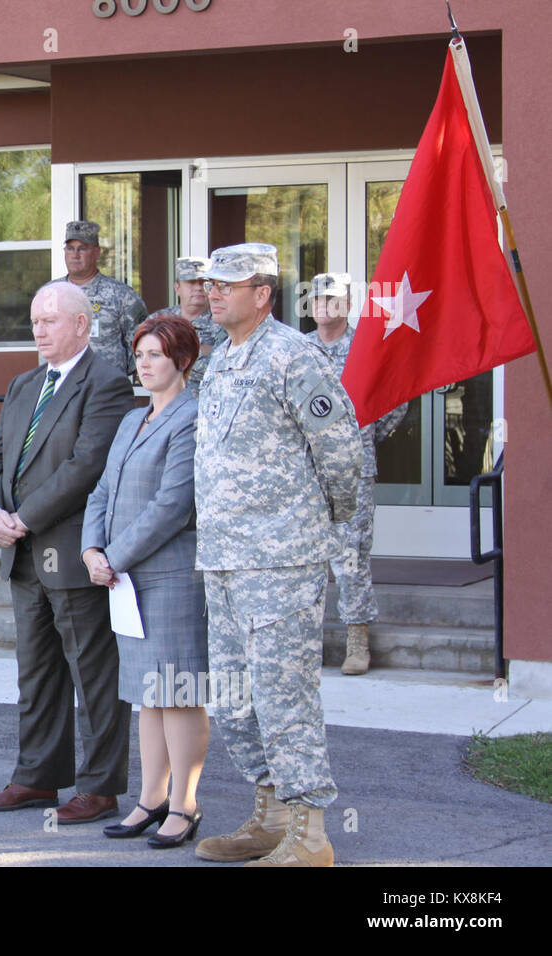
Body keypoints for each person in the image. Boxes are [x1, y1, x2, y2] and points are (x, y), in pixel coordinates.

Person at [192, 244, 362, 867]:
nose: (213, 293)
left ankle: (311, 833)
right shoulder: (220, 360)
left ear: (262, 293)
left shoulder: (292, 356)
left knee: (285, 695)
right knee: (235, 697)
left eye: (228, 284)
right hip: (225, 559)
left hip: (281, 561)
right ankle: (272, 815)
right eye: (211, 283)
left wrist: (317, 526)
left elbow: (342, 454)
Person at [0, 281, 133, 824]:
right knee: (36, 672)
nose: (38, 330)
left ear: (82, 325)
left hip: (71, 552)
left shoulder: (106, 383)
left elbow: (87, 467)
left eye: (50, 320)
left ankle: (100, 787)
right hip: (22, 556)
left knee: (92, 674)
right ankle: (37, 778)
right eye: (35, 320)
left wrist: (25, 517)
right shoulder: (24, 384)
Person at [81, 313, 209, 848]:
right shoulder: (132, 419)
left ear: (181, 360)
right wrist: (91, 548)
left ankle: (185, 805)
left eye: (155, 354)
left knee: (178, 693)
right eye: (139, 355)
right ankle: (150, 800)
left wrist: (114, 556)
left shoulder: (194, 416)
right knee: (145, 695)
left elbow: (173, 505)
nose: (145, 363)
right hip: (125, 578)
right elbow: (102, 491)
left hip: (172, 575)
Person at [307, 272, 408, 675]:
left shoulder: (363, 349)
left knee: (350, 558)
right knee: (306, 560)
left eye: (333, 299)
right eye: (318, 299)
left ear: (347, 305)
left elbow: (393, 401)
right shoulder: (300, 350)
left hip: (353, 469)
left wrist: (361, 437)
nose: (324, 306)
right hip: (306, 470)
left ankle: (356, 640)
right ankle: (306, 642)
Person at [53, 220, 148, 380]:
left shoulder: (121, 295)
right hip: (61, 390)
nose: (75, 255)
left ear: (97, 252)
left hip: (107, 391)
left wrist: (115, 372)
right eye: (70, 249)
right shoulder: (50, 293)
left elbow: (141, 343)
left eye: (82, 248)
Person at [148, 256, 225, 396]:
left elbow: (216, 370)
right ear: (177, 288)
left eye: (203, 282)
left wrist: (167, 355)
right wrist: (200, 352)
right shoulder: (157, 321)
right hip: (164, 409)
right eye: (191, 282)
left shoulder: (223, 323)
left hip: (202, 408)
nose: (198, 288)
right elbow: (146, 366)